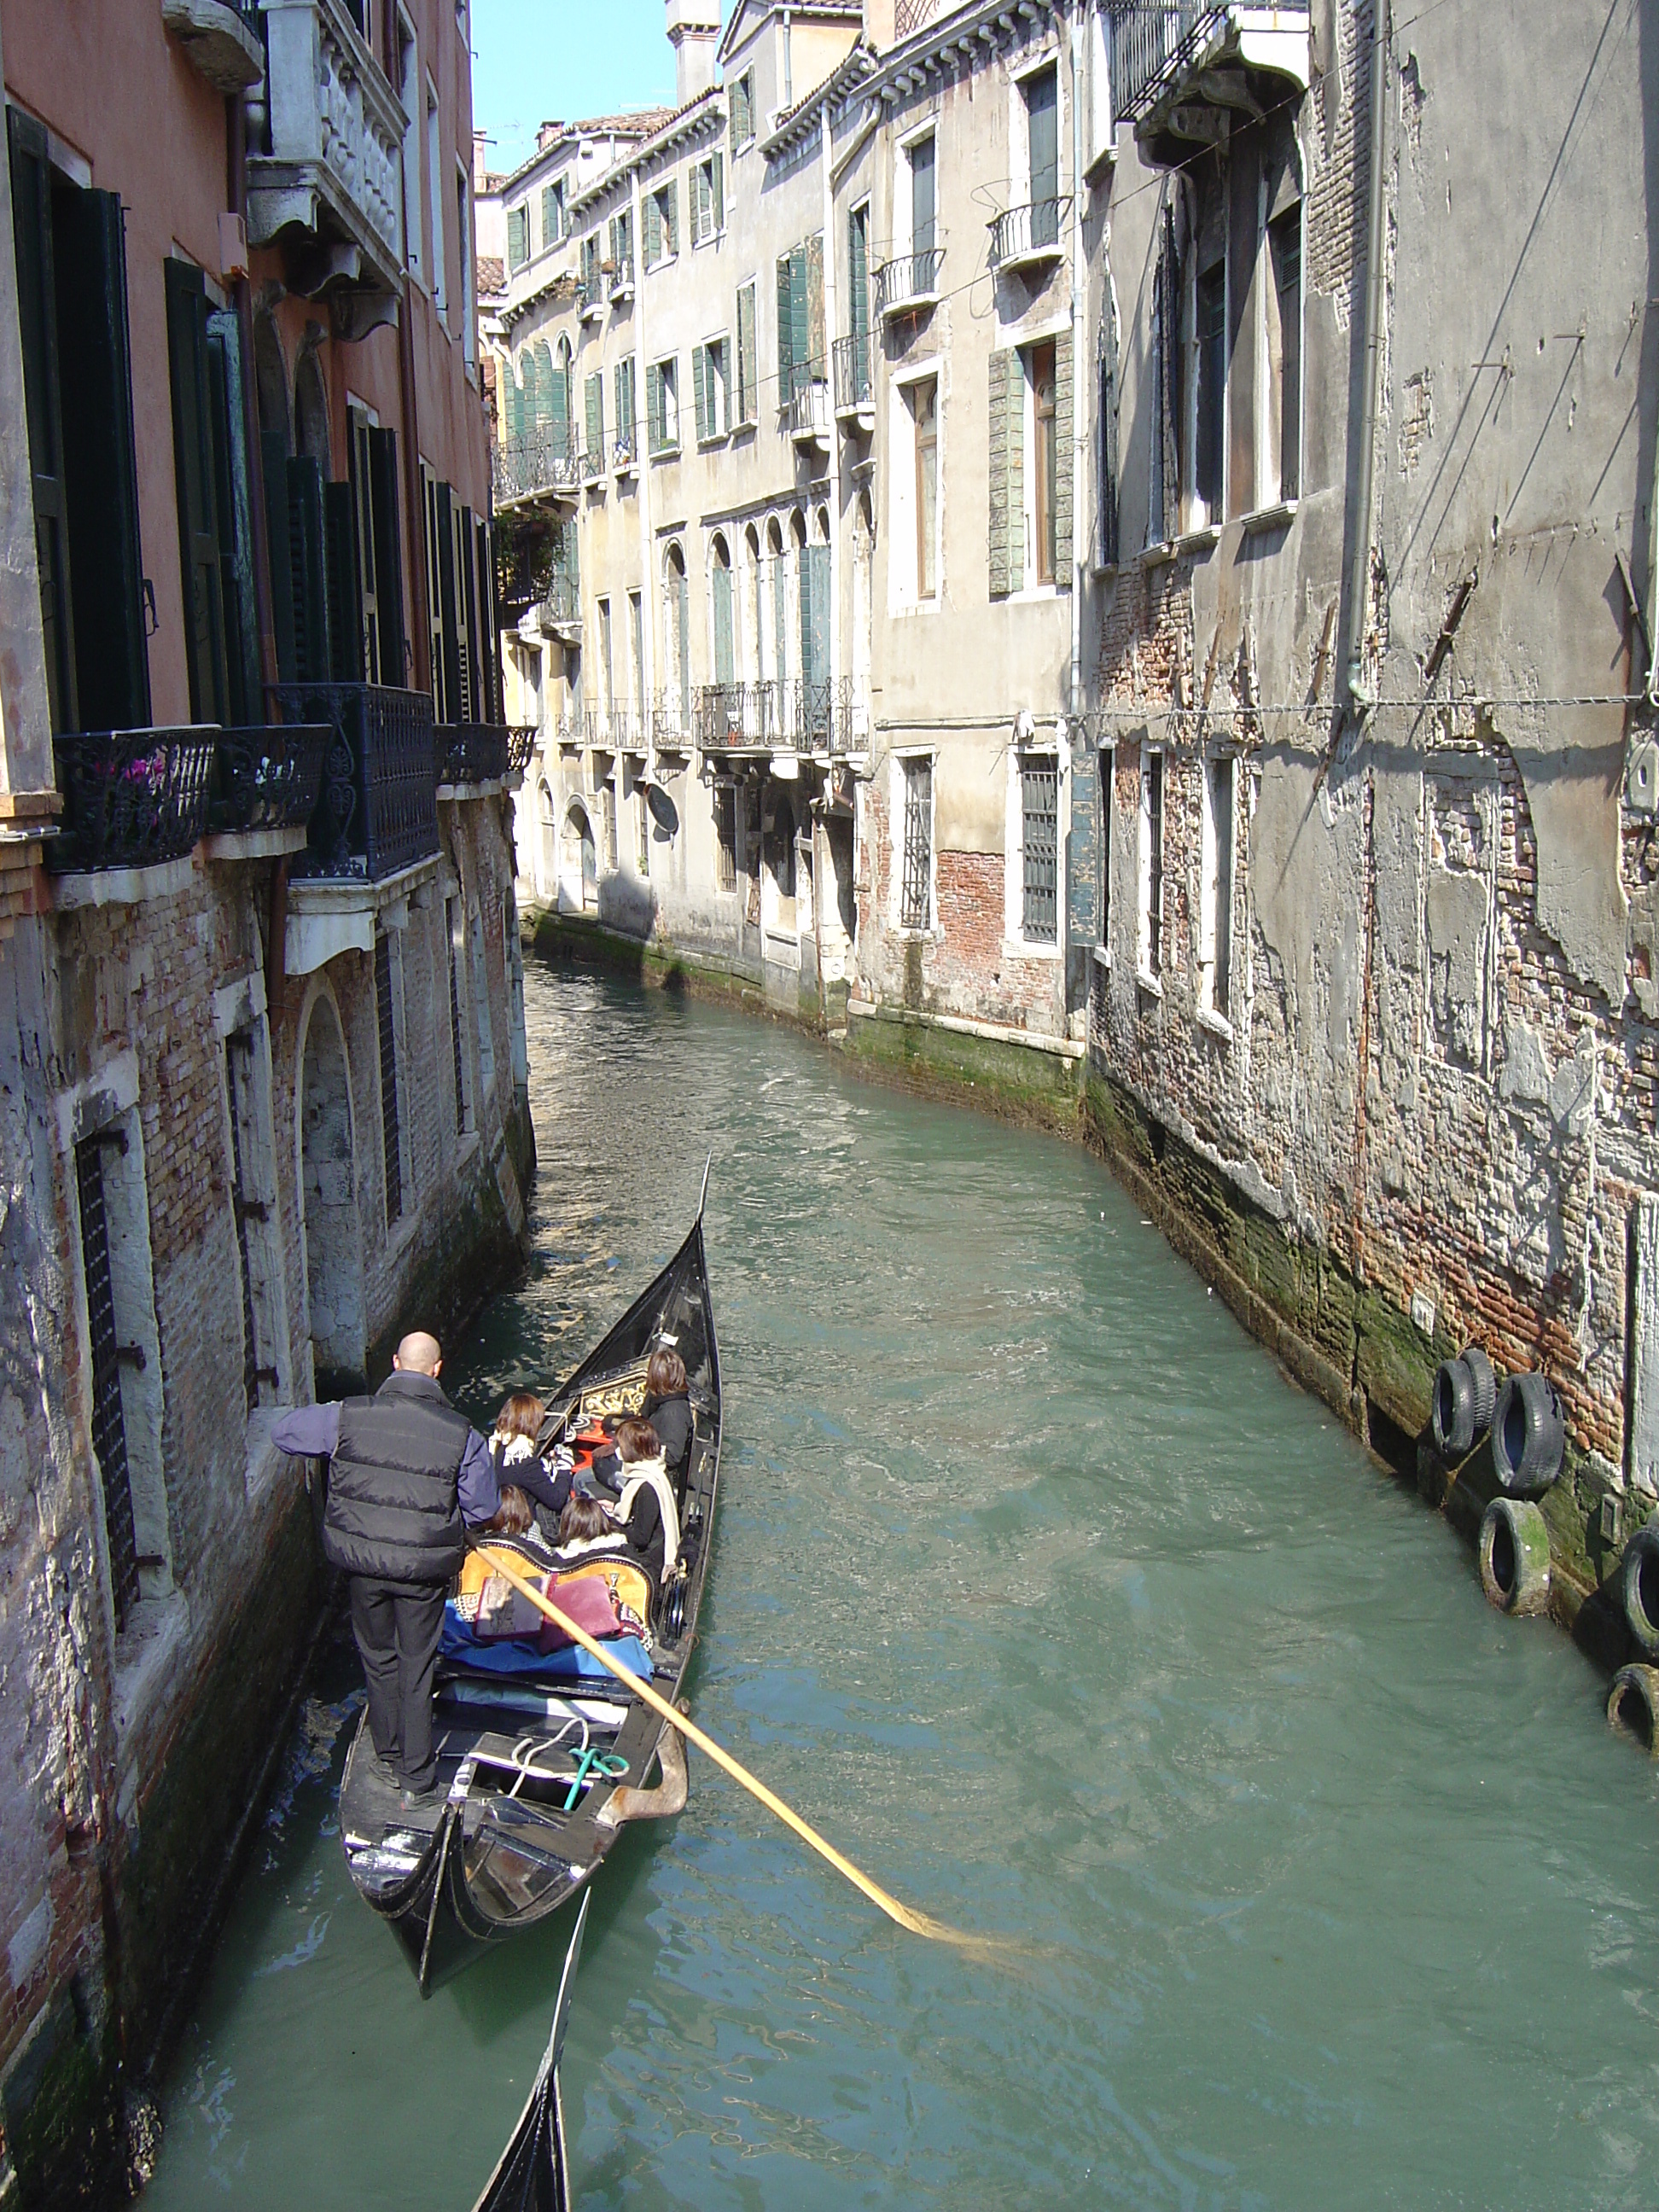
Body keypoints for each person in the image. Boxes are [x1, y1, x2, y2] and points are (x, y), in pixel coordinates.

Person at [272, 1331, 498, 1812]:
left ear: (396, 1364)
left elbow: (285, 1433)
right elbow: (482, 1510)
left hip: (364, 1567)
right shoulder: (463, 1434)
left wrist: (343, 1431)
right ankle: (418, 1780)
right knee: (417, 1667)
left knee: (379, 1660)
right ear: (436, 1371)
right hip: (422, 1572)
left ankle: (387, 1755)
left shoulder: (348, 1416)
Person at [606, 1417, 680, 1583]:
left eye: (620, 1446)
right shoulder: (656, 1470)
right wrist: (613, 1507)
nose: (617, 1450)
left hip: (650, 1562)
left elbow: (640, 1538)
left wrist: (609, 1522)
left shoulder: (646, 1486)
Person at [489, 1388, 572, 1530]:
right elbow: (556, 1500)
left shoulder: (498, 1446)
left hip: (499, 1516)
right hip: (521, 1525)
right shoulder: (525, 1462)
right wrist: (565, 1469)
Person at [640, 1347, 694, 1484]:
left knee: (585, 1477)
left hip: (656, 1477)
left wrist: (634, 1448)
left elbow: (672, 1456)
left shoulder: (674, 1412)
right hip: (646, 1464)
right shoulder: (658, 1399)